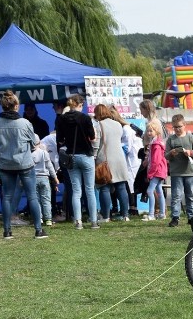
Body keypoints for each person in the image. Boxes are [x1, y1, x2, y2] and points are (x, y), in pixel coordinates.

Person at [0, 91, 47, 239]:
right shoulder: (25, 123)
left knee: (7, 197)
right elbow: (33, 142)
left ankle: (7, 231)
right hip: (24, 163)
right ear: (16, 106)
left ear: (3, 106)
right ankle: (38, 230)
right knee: (32, 196)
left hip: (5, 164)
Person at [57, 94, 98, 229]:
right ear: (80, 105)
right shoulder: (85, 118)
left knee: (76, 190)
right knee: (90, 189)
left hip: (71, 157)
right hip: (86, 155)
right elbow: (92, 138)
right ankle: (93, 221)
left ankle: (78, 221)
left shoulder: (62, 119)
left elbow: (60, 139)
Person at [93, 104, 131, 222]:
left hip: (104, 159)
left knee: (104, 188)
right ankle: (125, 215)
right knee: (121, 187)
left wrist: (94, 157)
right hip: (119, 158)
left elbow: (97, 144)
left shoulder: (98, 125)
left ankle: (106, 216)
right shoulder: (118, 124)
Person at [164, 114, 193, 227]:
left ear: (184, 125)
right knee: (176, 195)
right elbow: (166, 155)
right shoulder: (171, 139)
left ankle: (191, 216)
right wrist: (172, 153)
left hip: (190, 171)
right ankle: (175, 217)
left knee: (190, 195)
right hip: (176, 172)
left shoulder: (191, 138)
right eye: (175, 127)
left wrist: (190, 153)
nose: (177, 129)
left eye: (179, 126)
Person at [143, 121, 167, 221]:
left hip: (157, 171)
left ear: (156, 131)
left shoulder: (156, 145)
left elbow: (156, 161)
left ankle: (151, 214)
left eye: (151, 131)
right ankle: (162, 213)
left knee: (150, 191)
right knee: (159, 191)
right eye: (148, 131)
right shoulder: (155, 143)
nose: (149, 133)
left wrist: (151, 173)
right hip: (160, 170)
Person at [32, 143, 58, 227]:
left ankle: (39, 218)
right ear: (39, 143)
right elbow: (50, 166)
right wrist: (55, 177)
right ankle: (48, 219)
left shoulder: (29, 154)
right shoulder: (44, 153)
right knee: (46, 199)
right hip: (44, 178)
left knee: (36, 200)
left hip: (33, 179)